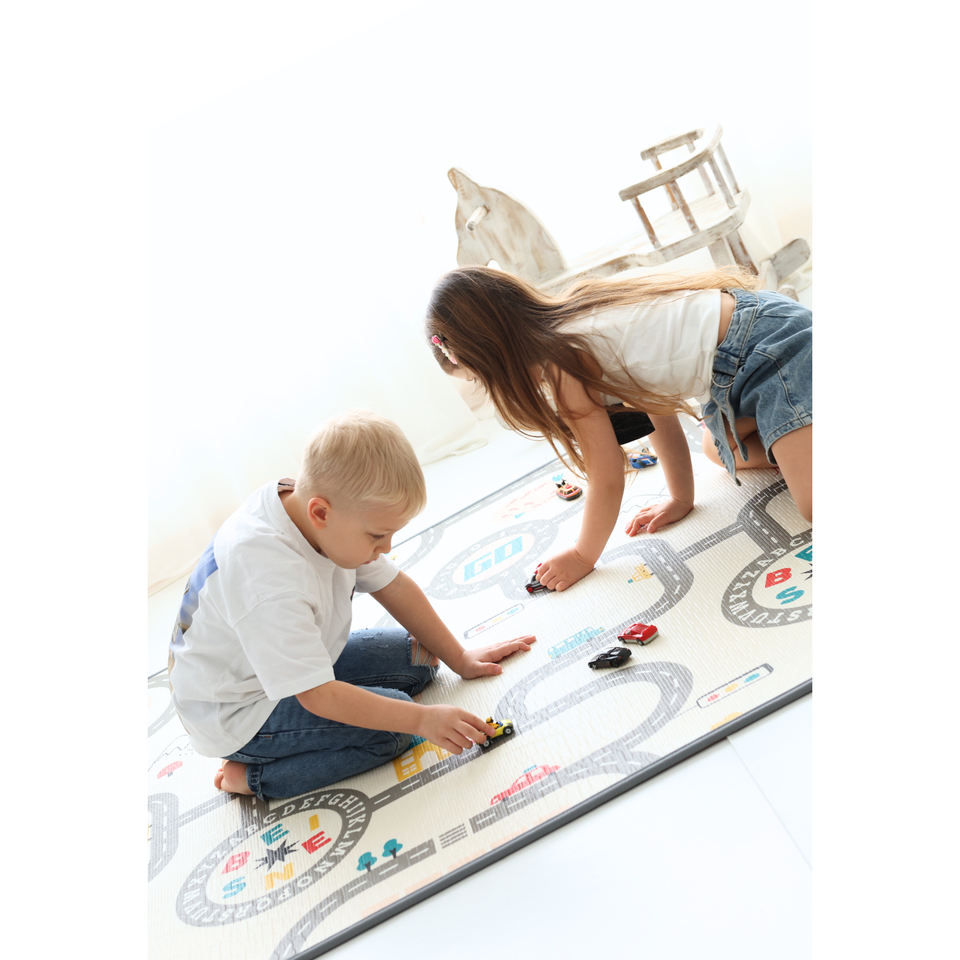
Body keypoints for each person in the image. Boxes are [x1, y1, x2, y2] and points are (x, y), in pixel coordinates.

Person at [168, 409, 536, 800]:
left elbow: (394, 586)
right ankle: (251, 776)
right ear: (320, 513)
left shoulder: (318, 511)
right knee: (395, 731)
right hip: (239, 713)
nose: (387, 548)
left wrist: (460, 658)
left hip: (277, 667)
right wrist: (421, 720)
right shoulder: (268, 578)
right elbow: (317, 695)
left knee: (422, 659)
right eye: (378, 536)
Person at [425, 265, 811, 592]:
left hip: (774, 348)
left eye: (480, 378)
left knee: (813, 504)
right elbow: (657, 407)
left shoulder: (563, 362)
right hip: (746, 358)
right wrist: (681, 498)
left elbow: (607, 476)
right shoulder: (572, 318)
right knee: (719, 449)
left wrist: (582, 555)